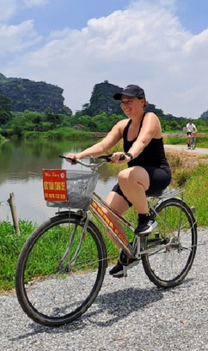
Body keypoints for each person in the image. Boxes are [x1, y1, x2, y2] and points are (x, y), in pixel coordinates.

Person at [63, 84, 171, 277]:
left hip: (156, 174)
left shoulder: (150, 118)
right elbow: (104, 145)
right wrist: (80, 155)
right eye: (123, 103)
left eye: (129, 101)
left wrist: (128, 155)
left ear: (142, 102)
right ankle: (129, 253)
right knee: (107, 216)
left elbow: (143, 141)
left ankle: (146, 218)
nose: (125, 105)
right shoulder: (123, 125)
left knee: (124, 175)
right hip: (133, 179)